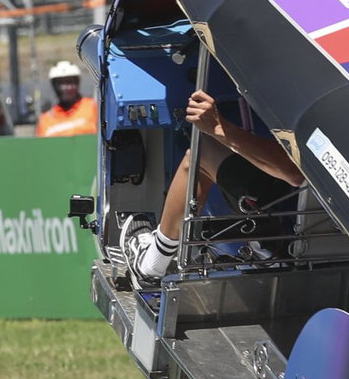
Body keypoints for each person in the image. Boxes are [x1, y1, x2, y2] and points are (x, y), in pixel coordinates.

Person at [124, 88, 304, 284]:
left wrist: (218, 127)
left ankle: (152, 264)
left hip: (291, 233)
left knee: (201, 151)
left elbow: (295, 173)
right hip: (312, 226)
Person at [36, 60, 99, 137]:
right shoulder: (45, 120)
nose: (67, 88)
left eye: (70, 82)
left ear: (77, 83)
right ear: (54, 86)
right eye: (61, 83)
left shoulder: (94, 107)